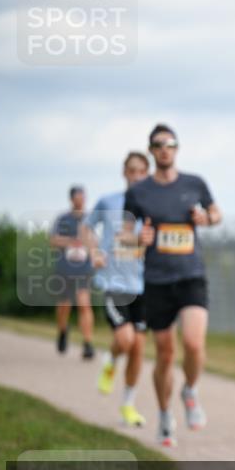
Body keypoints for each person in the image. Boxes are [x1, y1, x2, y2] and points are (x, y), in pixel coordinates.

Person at [124, 124, 222, 447]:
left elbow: (216, 213)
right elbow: (124, 233)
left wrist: (207, 220)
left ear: (177, 148)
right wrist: (138, 238)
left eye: (170, 143)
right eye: (158, 145)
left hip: (191, 274)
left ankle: (190, 390)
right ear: (151, 151)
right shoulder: (139, 192)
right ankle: (165, 415)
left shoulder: (194, 183)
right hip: (156, 280)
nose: (164, 149)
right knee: (165, 354)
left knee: (193, 343)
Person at [85, 151, 151, 427]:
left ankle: (128, 405)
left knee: (138, 348)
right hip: (114, 283)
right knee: (125, 340)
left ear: (147, 174)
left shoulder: (154, 206)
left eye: (140, 172)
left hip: (144, 285)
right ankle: (111, 359)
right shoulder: (108, 202)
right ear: (124, 173)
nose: (135, 176)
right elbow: (88, 229)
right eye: (131, 171)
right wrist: (94, 252)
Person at [50, 186, 96, 359]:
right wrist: (72, 241)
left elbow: (94, 241)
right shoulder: (62, 219)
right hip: (64, 268)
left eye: (83, 197)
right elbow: (53, 240)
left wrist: (93, 252)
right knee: (64, 305)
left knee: (84, 304)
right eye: (78, 197)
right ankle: (62, 330)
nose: (81, 200)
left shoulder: (89, 220)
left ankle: (88, 343)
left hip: (83, 269)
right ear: (71, 199)